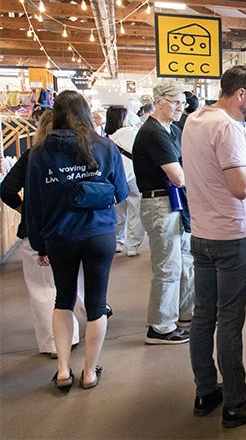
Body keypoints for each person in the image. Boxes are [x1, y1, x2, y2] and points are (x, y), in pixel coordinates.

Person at [182, 66, 246, 427]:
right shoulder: (226, 127)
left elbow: (215, 160)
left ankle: (206, 390)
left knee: (203, 316)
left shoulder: (197, 120)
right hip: (231, 237)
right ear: (241, 93)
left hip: (202, 235)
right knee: (229, 320)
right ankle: (237, 401)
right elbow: (241, 187)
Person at [25, 90, 129, 390]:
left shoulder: (39, 153)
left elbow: (33, 203)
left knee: (64, 300)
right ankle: (89, 373)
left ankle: (62, 370)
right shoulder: (105, 147)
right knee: (96, 304)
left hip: (60, 236)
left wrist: (38, 244)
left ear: (55, 114)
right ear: (85, 113)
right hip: (99, 234)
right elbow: (121, 193)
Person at [1, 108, 83, 357]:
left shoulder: (31, 156)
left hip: (38, 231)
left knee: (43, 289)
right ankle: (77, 331)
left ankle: (53, 343)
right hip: (75, 229)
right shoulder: (79, 153)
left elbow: (6, 189)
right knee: (73, 283)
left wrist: (24, 208)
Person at [133, 81, 194, 345]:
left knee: (184, 262)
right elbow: (178, 176)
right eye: (175, 102)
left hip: (174, 205)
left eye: (183, 102)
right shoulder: (153, 132)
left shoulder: (171, 129)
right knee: (168, 267)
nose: (181, 108)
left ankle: (186, 314)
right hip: (160, 204)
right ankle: (160, 327)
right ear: (158, 101)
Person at [105, 106, 145, 256]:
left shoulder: (106, 137)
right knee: (136, 211)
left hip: (116, 178)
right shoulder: (130, 132)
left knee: (118, 212)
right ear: (122, 118)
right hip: (133, 176)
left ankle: (118, 241)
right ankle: (133, 246)